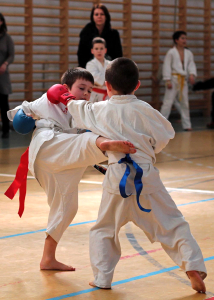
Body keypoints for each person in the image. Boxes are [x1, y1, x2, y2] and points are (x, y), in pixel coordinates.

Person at [66, 58, 207, 293]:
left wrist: (62, 93)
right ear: (137, 85)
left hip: (116, 177)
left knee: (104, 229)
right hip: (147, 176)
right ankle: (192, 265)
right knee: (173, 224)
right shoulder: (145, 109)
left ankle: (102, 278)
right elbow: (166, 134)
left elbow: (75, 109)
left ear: (107, 86)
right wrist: (148, 151)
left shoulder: (99, 109)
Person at [6, 67, 136, 272]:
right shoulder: (51, 98)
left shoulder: (85, 110)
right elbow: (19, 116)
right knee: (87, 141)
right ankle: (106, 148)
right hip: (48, 147)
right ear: (66, 87)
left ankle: (48, 259)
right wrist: (24, 114)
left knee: (66, 208)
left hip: (59, 163)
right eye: (81, 88)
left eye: (89, 90)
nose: (85, 93)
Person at [160, 31, 196, 131]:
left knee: (185, 103)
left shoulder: (188, 53)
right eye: (182, 38)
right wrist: (167, 80)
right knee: (167, 103)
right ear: (176, 40)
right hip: (173, 79)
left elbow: (191, 65)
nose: (185, 40)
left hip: (183, 80)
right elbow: (166, 66)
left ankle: (187, 125)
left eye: (185, 38)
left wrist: (192, 75)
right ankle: (160, 126)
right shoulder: (171, 52)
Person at [77, 3, 123, 68]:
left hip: (109, 67)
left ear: (106, 16)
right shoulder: (86, 32)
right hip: (89, 66)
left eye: (102, 14)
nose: (99, 16)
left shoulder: (114, 34)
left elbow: (118, 55)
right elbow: (81, 54)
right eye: (96, 14)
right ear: (92, 17)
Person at [0, 12, 14, 138]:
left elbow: (11, 55)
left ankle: (5, 129)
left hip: (2, 75)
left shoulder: (7, 38)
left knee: (4, 103)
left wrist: (5, 64)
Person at [86, 37, 110, 102]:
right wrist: (110, 81)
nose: (99, 51)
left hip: (109, 95)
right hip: (95, 95)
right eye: (96, 49)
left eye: (101, 48)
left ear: (105, 50)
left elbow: (115, 77)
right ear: (92, 51)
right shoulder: (90, 64)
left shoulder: (110, 64)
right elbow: (95, 78)